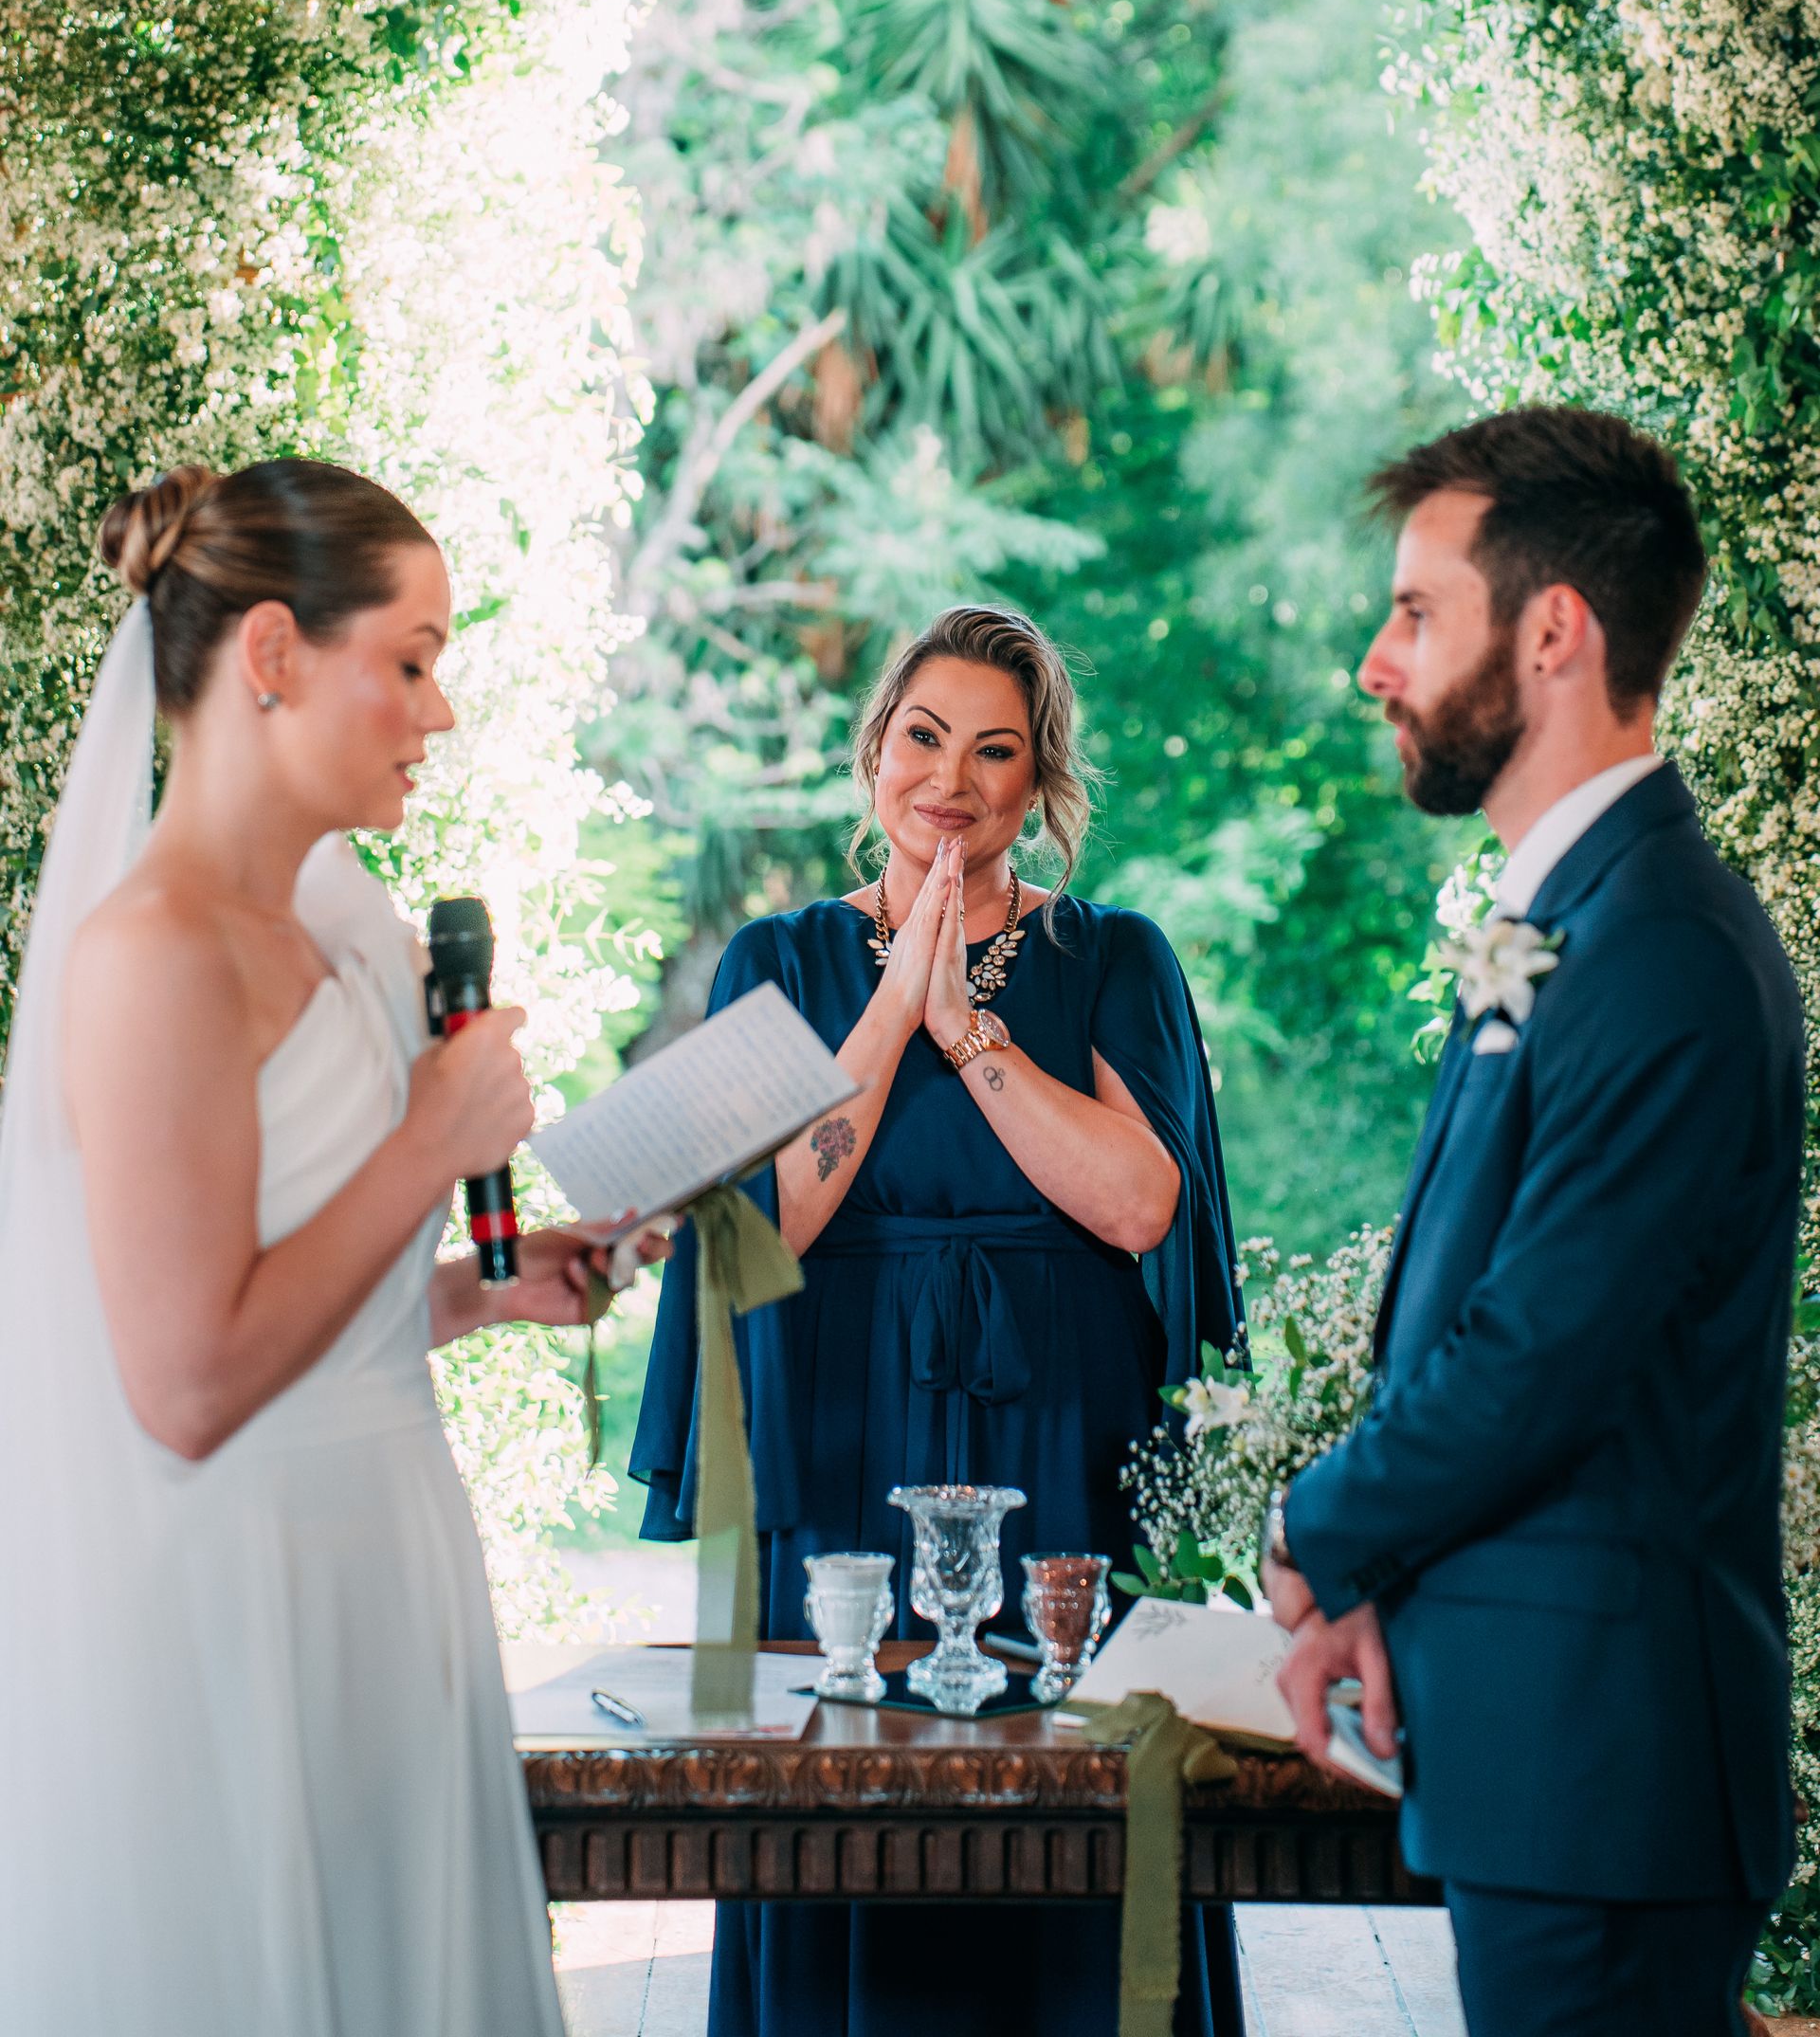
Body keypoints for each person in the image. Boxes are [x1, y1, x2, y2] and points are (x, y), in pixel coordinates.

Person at [0, 459, 662, 2037]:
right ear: (276, 654)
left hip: (387, 1556)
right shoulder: (151, 954)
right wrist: (432, 1139)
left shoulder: (339, 925)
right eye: (413, 663)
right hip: (241, 1593)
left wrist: (474, 1293)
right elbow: (187, 1383)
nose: (441, 714)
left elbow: (288, 1289)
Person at [1262, 408, 1803, 2037]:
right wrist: (1377, 1585)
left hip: (1611, 1767)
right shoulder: (1581, 914)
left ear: (1553, 630)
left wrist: (1314, 1531)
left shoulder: (1662, 946)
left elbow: (1538, 1356)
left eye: (1418, 613)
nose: (1377, 664)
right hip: (1549, 1760)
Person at [632, 602, 1247, 2037]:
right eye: (923, 737)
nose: (949, 781)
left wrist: (969, 1027)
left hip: (1064, 1444)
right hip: (837, 1441)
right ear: (873, 754)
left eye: (995, 750)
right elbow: (749, 1235)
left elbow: (1139, 1206)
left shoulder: (1119, 956)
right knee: (842, 1810)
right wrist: (891, 1010)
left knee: (1071, 1827)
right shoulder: (769, 962)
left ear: (1040, 784)